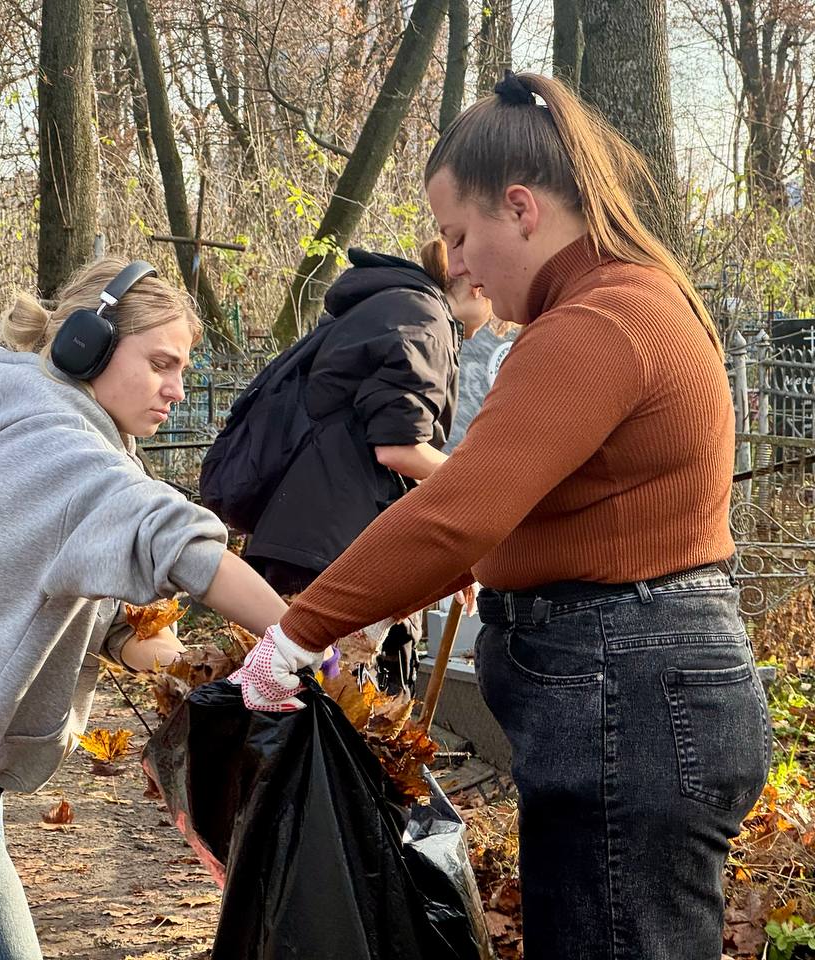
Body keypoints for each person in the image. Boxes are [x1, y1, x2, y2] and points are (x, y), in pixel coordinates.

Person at [232, 71, 771, 960]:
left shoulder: (597, 324)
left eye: (459, 233)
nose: (456, 263)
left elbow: (460, 510)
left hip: (629, 700)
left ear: (520, 207)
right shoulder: (625, 301)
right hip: (640, 692)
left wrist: (294, 634)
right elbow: (533, 518)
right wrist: (410, 588)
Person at [0, 257, 298, 959]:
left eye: (181, 369)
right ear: (86, 344)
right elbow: (176, 537)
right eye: (160, 363)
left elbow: (117, 625)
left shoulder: (60, 435)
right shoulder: (57, 449)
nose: (176, 390)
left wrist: (208, 670)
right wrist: (304, 641)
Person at [243, 241, 493, 691]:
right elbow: (398, 449)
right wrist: (481, 493)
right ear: (477, 287)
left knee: (294, 716)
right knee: (353, 718)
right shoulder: (427, 320)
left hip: (301, 537)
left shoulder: (390, 304)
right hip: (336, 553)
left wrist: (448, 556)